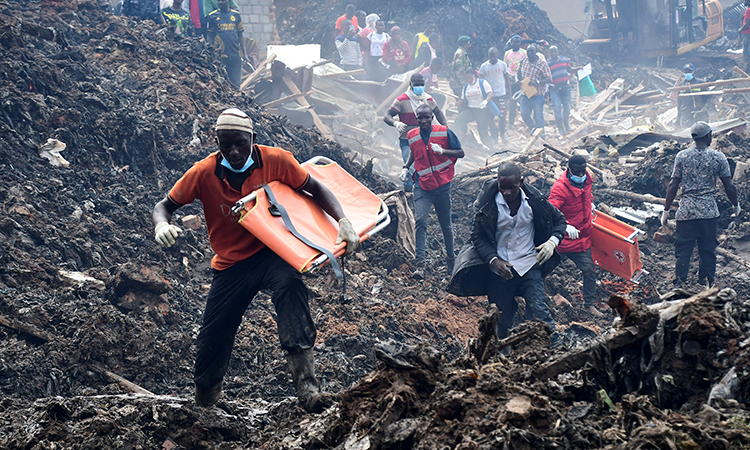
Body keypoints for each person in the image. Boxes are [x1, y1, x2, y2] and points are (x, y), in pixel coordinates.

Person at [152, 108, 360, 412]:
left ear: (253, 139)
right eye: (226, 145)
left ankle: (308, 389)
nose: (234, 152)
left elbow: (314, 187)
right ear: (217, 142)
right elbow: (165, 205)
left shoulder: (276, 160)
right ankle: (205, 400)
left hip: (271, 254)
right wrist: (161, 224)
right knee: (214, 333)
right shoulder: (203, 172)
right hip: (231, 264)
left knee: (291, 287)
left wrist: (343, 220)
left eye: (241, 143)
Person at [448, 163, 566, 347]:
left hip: (529, 264)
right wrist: (493, 260)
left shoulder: (535, 201)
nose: (507, 192)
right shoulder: (487, 205)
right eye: (503, 187)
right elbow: (477, 237)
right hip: (500, 271)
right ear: (497, 182)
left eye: (512, 187)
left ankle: (557, 346)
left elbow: (560, 221)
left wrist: (552, 242)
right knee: (501, 319)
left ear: (521, 181)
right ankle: (503, 352)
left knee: (539, 310)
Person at [662, 122, 740, 287]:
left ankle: (680, 283)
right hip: (709, 213)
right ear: (708, 136)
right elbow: (729, 185)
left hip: (686, 212)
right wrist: (735, 205)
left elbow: (673, 185)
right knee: (707, 250)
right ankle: (706, 283)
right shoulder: (718, 157)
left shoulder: (682, 156)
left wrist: (666, 209)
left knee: (683, 250)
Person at [400, 104, 464, 279]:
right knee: (420, 221)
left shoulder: (444, 132)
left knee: (446, 225)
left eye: (427, 117)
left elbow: (461, 152)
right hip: (422, 185)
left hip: (443, 186)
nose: (423, 121)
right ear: (416, 118)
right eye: (420, 117)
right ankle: (420, 264)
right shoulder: (412, 135)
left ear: (432, 117)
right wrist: (406, 167)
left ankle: (451, 259)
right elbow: (414, 151)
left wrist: (443, 151)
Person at [548, 156, 602, 316]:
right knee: (544, 269)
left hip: (581, 238)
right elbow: (550, 212)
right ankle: (543, 300)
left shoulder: (586, 181)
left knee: (589, 271)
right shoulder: (559, 188)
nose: (580, 174)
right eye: (576, 172)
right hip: (561, 238)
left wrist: (590, 204)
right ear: (569, 169)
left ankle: (589, 304)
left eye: (582, 171)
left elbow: (584, 197)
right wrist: (564, 226)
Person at [384, 73, 447, 192]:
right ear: (411, 85)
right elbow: (387, 116)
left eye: (421, 84)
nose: (419, 87)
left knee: (425, 166)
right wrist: (396, 123)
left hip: (426, 140)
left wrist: (445, 128)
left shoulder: (428, 99)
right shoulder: (401, 100)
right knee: (410, 167)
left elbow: (438, 113)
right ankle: (408, 191)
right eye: (416, 84)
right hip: (407, 140)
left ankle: (421, 191)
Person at [207, 0, 248, 89]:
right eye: (218, 1)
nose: (220, 2)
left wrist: (245, 54)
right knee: (222, 83)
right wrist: (210, 53)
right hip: (220, 57)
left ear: (229, 1)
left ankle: (236, 100)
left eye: (223, 0)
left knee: (236, 83)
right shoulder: (212, 16)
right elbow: (210, 36)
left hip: (235, 55)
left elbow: (240, 34)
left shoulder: (236, 15)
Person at [454, 67, 495, 149]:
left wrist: (485, 101)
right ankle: (454, 139)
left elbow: (490, 93)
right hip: (471, 110)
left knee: (483, 132)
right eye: (466, 78)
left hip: (482, 111)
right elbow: (462, 100)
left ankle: (491, 148)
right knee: (459, 119)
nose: (468, 79)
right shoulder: (466, 86)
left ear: (473, 75)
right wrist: (454, 104)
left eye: (469, 77)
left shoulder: (482, 83)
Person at [478, 47, 511, 144]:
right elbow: (481, 80)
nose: (492, 57)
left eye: (494, 55)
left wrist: (510, 92)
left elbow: (507, 78)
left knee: (502, 116)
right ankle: (494, 137)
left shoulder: (502, 64)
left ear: (497, 54)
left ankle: (503, 134)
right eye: (490, 55)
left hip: (501, 95)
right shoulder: (484, 66)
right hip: (490, 96)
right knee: (490, 117)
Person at [517, 44, 552, 137]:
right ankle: (533, 128)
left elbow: (549, 79)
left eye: (532, 51)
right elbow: (519, 72)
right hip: (525, 93)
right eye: (528, 51)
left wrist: (536, 82)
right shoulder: (524, 60)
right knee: (524, 114)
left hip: (537, 94)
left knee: (538, 115)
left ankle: (541, 135)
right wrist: (519, 81)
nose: (530, 53)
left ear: (536, 52)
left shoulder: (542, 64)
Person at [676, 63, 713, 128]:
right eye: (686, 72)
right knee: (687, 133)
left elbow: (710, 97)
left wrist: (705, 109)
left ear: (694, 72)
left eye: (689, 72)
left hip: (700, 113)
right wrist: (678, 117)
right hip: (686, 114)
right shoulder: (681, 85)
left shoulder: (700, 83)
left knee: (701, 130)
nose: (687, 73)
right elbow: (679, 102)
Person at [547, 46, 572, 135]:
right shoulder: (548, 63)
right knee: (557, 109)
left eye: (554, 51)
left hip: (566, 88)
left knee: (568, 108)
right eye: (551, 52)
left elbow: (570, 70)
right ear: (549, 53)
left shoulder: (564, 60)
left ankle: (566, 124)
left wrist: (579, 69)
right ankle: (561, 128)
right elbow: (546, 76)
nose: (553, 53)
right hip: (555, 89)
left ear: (558, 51)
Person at [503, 35, 526, 130]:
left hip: (522, 80)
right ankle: (511, 123)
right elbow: (505, 67)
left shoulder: (524, 52)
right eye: (514, 42)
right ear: (511, 43)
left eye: (518, 42)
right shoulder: (507, 53)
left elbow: (526, 65)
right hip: (511, 81)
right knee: (512, 102)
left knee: (525, 101)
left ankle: (526, 122)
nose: (516, 44)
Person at [739, 0, 750, 70]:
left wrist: (740, 29)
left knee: (746, 49)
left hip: (747, 32)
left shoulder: (748, 10)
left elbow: (747, 24)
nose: (744, 1)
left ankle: (747, 67)